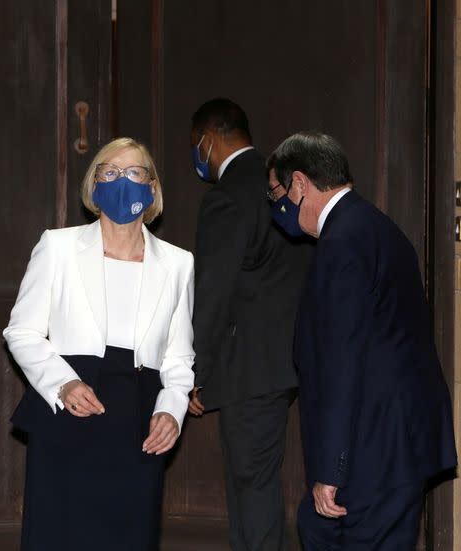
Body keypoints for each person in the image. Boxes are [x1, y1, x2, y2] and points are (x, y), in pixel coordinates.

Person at [267, 131, 457, 550]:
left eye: (276, 192)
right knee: (319, 528)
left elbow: (340, 362)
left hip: (373, 446)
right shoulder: (376, 227)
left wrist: (331, 470)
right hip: (398, 440)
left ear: (300, 183)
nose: (275, 207)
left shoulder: (342, 243)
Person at [3, 137, 195, 551]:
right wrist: (63, 383)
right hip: (71, 408)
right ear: (93, 184)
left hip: (139, 417)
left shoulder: (179, 263)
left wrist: (173, 412)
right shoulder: (58, 247)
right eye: (109, 171)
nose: (120, 180)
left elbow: (179, 356)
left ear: (153, 188)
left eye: (134, 172)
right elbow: (22, 331)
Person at [188, 98, 311, 550]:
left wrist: (196, 371)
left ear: (209, 140)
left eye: (195, 146)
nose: (196, 157)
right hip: (287, 358)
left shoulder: (227, 195)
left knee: (252, 486)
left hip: (248, 366)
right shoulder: (279, 183)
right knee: (256, 481)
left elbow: (214, 290)